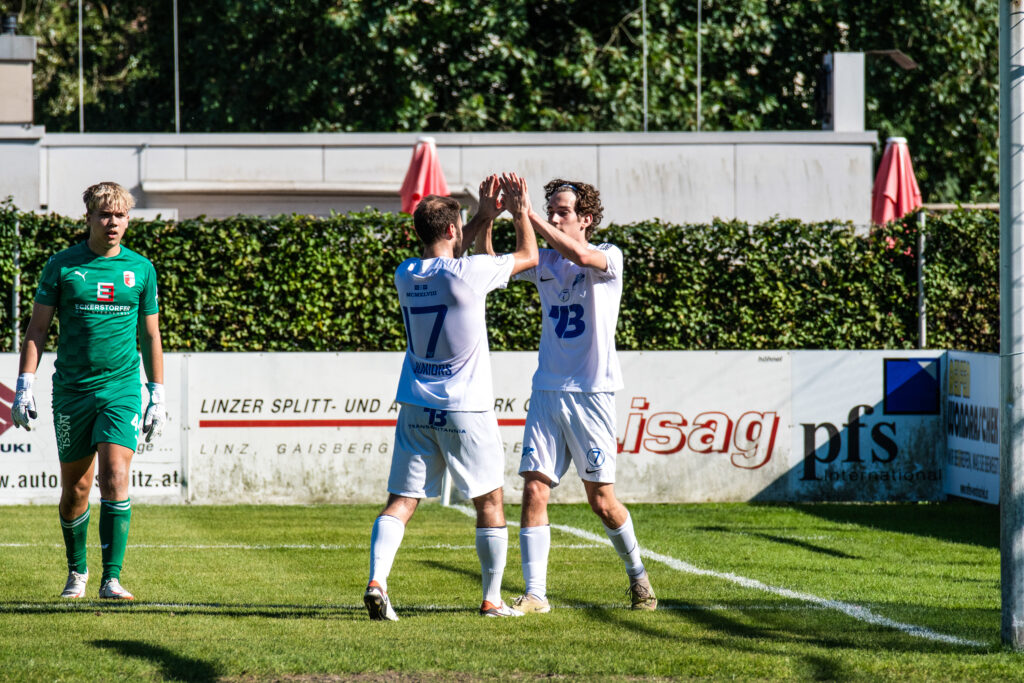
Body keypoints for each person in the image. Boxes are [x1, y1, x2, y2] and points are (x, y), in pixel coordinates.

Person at [363, 174, 538, 620]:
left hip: (417, 403)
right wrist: (518, 213)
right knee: (489, 502)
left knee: (401, 501)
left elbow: (449, 250)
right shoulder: (469, 272)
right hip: (465, 407)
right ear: (451, 229)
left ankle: (378, 581)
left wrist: (481, 216)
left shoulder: (406, 273)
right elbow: (529, 256)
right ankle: (492, 599)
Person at [501, 178, 656, 613]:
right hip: (547, 390)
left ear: (586, 219)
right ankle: (536, 595)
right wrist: (491, 215)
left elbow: (581, 256)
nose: (554, 216)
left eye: (562, 211)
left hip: (592, 393)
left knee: (601, 501)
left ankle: (638, 576)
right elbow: (491, 264)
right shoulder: (544, 259)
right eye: (549, 209)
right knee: (534, 489)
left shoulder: (608, 256)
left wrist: (529, 214)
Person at [11, 181, 166, 601]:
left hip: (121, 388)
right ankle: (77, 572)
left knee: (115, 477)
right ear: (89, 218)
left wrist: (157, 394)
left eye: (120, 215)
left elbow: (151, 335)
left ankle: (111, 579)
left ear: (128, 220)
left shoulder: (142, 269)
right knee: (76, 490)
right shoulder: (62, 265)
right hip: (72, 391)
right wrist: (24, 385)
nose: (112, 222)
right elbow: (37, 329)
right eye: (104, 214)